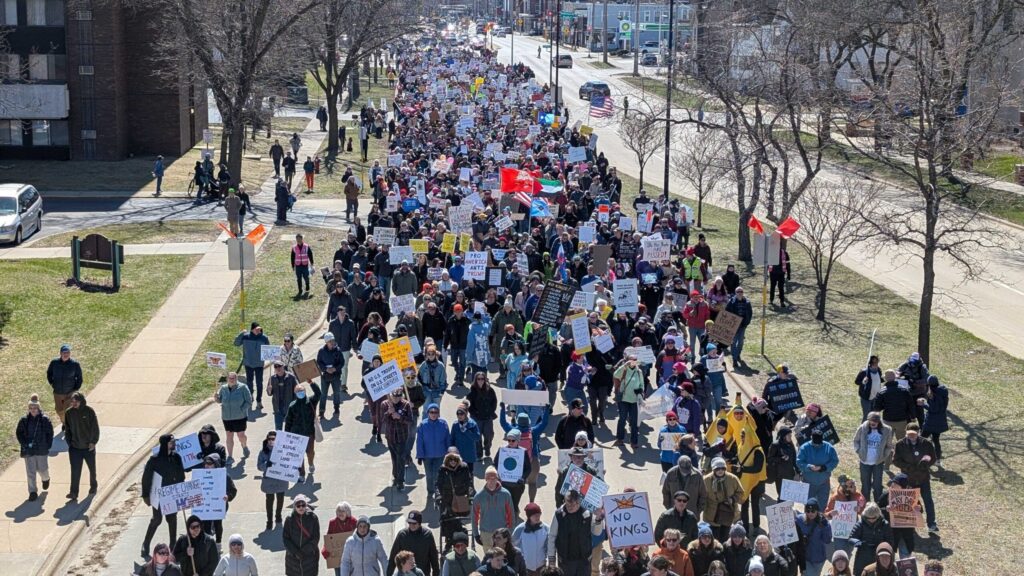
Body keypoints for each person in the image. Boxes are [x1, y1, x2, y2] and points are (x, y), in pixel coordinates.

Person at [142, 434, 185, 558]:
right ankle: (146, 543)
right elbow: (146, 478)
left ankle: (173, 546)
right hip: (158, 494)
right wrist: (146, 495)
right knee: (157, 519)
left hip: (172, 493)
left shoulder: (176, 457)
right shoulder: (154, 459)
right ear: (165, 443)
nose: (174, 444)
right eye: (172, 442)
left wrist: (181, 491)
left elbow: (181, 474)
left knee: (172, 519)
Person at [892, 422, 938, 532]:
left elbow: (933, 458)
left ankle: (931, 524)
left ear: (918, 433)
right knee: (909, 502)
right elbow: (895, 460)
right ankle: (909, 524)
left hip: (923, 477)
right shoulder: (900, 444)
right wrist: (907, 467)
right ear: (906, 432)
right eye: (909, 434)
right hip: (908, 478)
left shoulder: (926, 443)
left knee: (928, 501)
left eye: (914, 434)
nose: (911, 436)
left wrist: (925, 465)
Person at [547, 490, 606, 576]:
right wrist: (551, 559)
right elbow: (552, 536)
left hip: (584, 560)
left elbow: (596, 533)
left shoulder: (588, 513)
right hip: (565, 561)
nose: (569, 507)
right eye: (567, 504)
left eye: (572, 505)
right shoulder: (558, 514)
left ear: (579, 503)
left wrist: (597, 519)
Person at [435, 452, 476, 552]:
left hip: (461, 501)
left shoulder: (464, 468)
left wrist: (471, 494)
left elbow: (469, 483)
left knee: (454, 520)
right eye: (450, 459)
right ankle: (456, 538)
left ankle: (453, 542)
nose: (453, 462)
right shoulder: (443, 469)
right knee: (446, 520)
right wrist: (438, 496)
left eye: (455, 459)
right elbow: (438, 485)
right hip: (447, 501)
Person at [16, 394, 53, 501]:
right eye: (31, 408)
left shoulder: (45, 419)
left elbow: (49, 433)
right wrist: (24, 444)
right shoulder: (24, 420)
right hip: (29, 449)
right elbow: (19, 433)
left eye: (35, 408)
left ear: (38, 408)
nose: (33, 410)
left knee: (42, 469)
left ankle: (46, 479)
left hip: (42, 449)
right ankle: (32, 492)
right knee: (30, 471)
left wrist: (48, 445)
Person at [64, 391, 99, 500]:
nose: (73, 403)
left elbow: (95, 428)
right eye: (72, 401)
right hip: (75, 448)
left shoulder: (89, 411)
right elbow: (67, 429)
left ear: (81, 401)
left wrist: (93, 442)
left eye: (76, 401)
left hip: (88, 448)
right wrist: (69, 443)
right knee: (75, 471)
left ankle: (93, 486)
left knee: (92, 469)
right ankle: (73, 493)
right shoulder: (68, 413)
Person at [852, 412, 893, 502]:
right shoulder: (862, 428)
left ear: (879, 421)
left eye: (875, 421)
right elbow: (856, 440)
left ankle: (877, 506)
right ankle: (865, 506)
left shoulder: (887, 430)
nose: (873, 423)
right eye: (871, 421)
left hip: (878, 463)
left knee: (877, 486)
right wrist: (858, 451)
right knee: (865, 486)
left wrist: (884, 456)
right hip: (864, 462)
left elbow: (889, 446)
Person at [284, 382, 321, 482]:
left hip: (309, 433)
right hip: (296, 435)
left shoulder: (311, 401)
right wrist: (286, 435)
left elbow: (318, 393)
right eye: (298, 391)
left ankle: (311, 463)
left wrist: (312, 383)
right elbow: (288, 421)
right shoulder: (292, 406)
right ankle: (301, 474)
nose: (300, 393)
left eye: (302, 391)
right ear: (295, 393)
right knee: (298, 456)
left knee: (310, 452)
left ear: (305, 391)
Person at [380, 388, 416, 490]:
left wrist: (399, 417)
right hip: (390, 436)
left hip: (402, 436)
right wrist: (389, 413)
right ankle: (395, 477)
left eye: (398, 397)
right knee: (394, 458)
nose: (395, 399)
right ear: (390, 395)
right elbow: (382, 419)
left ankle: (400, 481)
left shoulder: (406, 404)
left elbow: (410, 420)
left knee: (400, 458)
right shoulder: (385, 404)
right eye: (394, 397)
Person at [472, 466, 515, 549]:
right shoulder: (479, 496)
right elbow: (474, 517)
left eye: (494, 478)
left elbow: (511, 515)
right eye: (489, 478)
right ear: (486, 479)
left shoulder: (506, 494)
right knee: (489, 560)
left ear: (497, 479)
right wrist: (476, 534)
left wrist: (510, 531)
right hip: (486, 534)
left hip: (501, 533)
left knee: (501, 559)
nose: (492, 481)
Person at [387, 510, 440, 576]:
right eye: (409, 523)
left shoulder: (427, 535)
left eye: (414, 523)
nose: (411, 525)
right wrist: (388, 574)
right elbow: (393, 556)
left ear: (419, 523)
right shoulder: (402, 535)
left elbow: (434, 558)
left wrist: (436, 574)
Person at [198, 454, 237, 545]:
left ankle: (218, 543)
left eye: (210, 463)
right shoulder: (200, 475)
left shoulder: (224, 476)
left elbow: (233, 490)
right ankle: (207, 544)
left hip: (219, 505)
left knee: (217, 524)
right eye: (205, 463)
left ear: (216, 464)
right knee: (205, 524)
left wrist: (228, 496)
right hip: (205, 506)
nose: (207, 466)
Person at [702, 457, 743, 542]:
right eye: (717, 468)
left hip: (728, 513)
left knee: (725, 537)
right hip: (712, 514)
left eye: (723, 468)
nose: (720, 470)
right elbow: (701, 495)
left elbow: (741, 493)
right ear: (713, 469)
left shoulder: (733, 478)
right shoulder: (706, 480)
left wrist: (732, 499)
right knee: (714, 539)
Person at [796, 431, 839, 510]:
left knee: (822, 507)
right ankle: (808, 521)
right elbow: (799, 462)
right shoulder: (804, 447)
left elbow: (835, 461)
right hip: (808, 483)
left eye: (818, 444)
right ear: (811, 438)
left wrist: (824, 467)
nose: (817, 445)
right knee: (809, 507)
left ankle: (820, 521)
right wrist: (809, 467)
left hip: (824, 483)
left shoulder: (829, 448)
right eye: (815, 444)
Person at [214, 372, 251, 462]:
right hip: (227, 417)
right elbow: (220, 400)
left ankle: (244, 445)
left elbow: (248, 401)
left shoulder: (243, 388)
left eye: (233, 378)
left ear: (236, 379)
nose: (231, 380)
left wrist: (241, 409)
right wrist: (216, 398)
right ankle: (230, 456)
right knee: (229, 436)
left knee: (240, 435)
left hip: (240, 417)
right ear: (227, 379)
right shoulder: (223, 388)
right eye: (230, 378)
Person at [416, 403, 451, 499]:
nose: (434, 414)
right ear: (428, 413)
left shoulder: (443, 424)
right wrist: (420, 455)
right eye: (431, 412)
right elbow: (419, 441)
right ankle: (430, 491)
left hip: (440, 455)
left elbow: (448, 438)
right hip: (427, 456)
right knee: (429, 474)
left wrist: (450, 452)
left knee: (437, 474)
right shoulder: (423, 425)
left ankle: (438, 491)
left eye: (436, 412)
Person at [848, 504, 893, 576]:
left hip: (879, 556)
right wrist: (859, 543)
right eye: (868, 518)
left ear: (878, 516)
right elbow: (851, 538)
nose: (871, 520)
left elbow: (890, 541)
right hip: (863, 554)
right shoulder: (860, 523)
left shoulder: (885, 524)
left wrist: (882, 547)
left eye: (874, 518)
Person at [256, 431, 287, 529]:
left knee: (280, 499)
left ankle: (278, 516)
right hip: (268, 480)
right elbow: (259, 466)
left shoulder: (283, 450)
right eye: (269, 439)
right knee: (269, 500)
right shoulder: (263, 452)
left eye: (273, 439)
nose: (271, 441)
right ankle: (269, 520)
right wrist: (266, 465)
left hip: (280, 479)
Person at [283, 494, 320, 576]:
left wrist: (303, 552)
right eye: (298, 505)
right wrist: (295, 552)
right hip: (293, 560)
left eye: (303, 505)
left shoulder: (313, 518)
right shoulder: (289, 519)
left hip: (310, 558)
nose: (301, 507)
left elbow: (315, 538)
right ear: (294, 507)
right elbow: (286, 539)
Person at [234, 323, 269, 409]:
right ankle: (250, 398)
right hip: (248, 364)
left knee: (259, 383)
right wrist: (241, 333)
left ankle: (259, 401)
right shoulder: (245, 336)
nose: (258, 330)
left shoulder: (264, 338)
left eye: (259, 329)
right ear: (252, 329)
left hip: (259, 365)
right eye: (256, 329)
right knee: (249, 382)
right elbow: (236, 343)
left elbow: (268, 349)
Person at [46, 343, 82, 428]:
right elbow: (49, 373)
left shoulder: (75, 364)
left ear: (70, 353)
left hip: (70, 392)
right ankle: (65, 423)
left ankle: (69, 426)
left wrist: (75, 389)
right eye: (64, 352)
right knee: (59, 411)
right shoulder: (54, 363)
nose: (66, 354)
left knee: (68, 410)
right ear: (60, 353)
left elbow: (79, 377)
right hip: (58, 392)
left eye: (68, 352)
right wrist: (52, 383)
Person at [871, 370, 914, 440]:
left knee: (886, 442)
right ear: (895, 377)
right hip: (902, 420)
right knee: (902, 442)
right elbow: (910, 405)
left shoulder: (881, 392)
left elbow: (876, 408)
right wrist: (913, 417)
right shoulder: (904, 390)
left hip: (887, 420)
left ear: (885, 379)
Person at [613, 353, 644, 447]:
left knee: (634, 422)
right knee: (622, 419)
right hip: (623, 399)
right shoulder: (624, 370)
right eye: (631, 359)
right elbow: (615, 374)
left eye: (635, 359)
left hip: (634, 400)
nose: (633, 361)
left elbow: (641, 384)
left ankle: (634, 442)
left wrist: (640, 393)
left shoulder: (639, 371)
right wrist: (624, 366)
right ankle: (620, 439)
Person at [795, 498, 832, 576]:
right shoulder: (799, 520)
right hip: (804, 557)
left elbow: (827, 540)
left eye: (813, 511)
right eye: (808, 511)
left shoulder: (823, 523)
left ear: (817, 511)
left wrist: (826, 527)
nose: (810, 513)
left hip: (818, 558)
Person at [513, 502, 549, 576]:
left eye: (539, 515)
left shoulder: (546, 528)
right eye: (535, 515)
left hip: (541, 566)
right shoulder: (520, 529)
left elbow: (548, 546)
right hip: (525, 567)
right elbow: (513, 546)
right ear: (529, 516)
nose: (537, 517)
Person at [921, 375, 949, 465]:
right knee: (936, 440)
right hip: (940, 421)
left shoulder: (932, 394)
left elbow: (933, 409)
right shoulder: (944, 392)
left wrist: (923, 404)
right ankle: (938, 460)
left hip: (931, 422)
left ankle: (921, 456)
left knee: (922, 439)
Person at [317, 332, 346, 418]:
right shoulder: (321, 351)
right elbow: (319, 362)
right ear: (326, 342)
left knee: (336, 393)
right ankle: (321, 411)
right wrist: (326, 369)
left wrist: (335, 369)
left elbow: (342, 362)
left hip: (336, 375)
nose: (332, 342)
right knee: (323, 394)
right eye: (330, 341)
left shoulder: (338, 350)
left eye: (333, 340)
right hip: (325, 376)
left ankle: (336, 407)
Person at [325, 503, 358, 575]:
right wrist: (325, 549)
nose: (340, 513)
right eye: (339, 511)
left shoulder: (354, 522)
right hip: (338, 558)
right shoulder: (332, 522)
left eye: (343, 511)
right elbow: (328, 538)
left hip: (351, 557)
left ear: (347, 512)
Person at [765, 427, 799, 498]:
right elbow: (770, 459)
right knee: (781, 496)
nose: (790, 437)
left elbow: (794, 459)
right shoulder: (775, 445)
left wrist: (798, 470)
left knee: (788, 496)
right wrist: (780, 459)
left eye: (791, 435)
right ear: (783, 436)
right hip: (779, 475)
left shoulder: (790, 445)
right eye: (789, 435)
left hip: (790, 474)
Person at [724, 287, 752, 365]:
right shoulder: (731, 302)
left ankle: (738, 354)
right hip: (733, 325)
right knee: (733, 342)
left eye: (741, 291)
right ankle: (734, 359)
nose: (739, 293)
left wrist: (747, 322)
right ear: (735, 293)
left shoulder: (747, 302)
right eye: (738, 292)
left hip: (743, 325)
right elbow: (726, 312)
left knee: (740, 342)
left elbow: (750, 313)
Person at [267, 360, 298, 430]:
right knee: (278, 428)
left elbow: (296, 391)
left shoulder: (291, 377)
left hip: (289, 407)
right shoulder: (272, 378)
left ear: (283, 367)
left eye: (280, 366)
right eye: (276, 367)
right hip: (277, 408)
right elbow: (269, 393)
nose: (278, 368)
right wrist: (269, 390)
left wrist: (295, 405)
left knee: (289, 428)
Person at [854, 356, 884, 421]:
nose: (875, 364)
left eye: (876, 362)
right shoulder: (864, 372)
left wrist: (886, 378)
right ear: (870, 363)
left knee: (875, 416)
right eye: (874, 362)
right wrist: (863, 382)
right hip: (866, 398)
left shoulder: (878, 370)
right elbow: (856, 382)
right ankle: (863, 430)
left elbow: (879, 379)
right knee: (867, 416)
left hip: (875, 397)